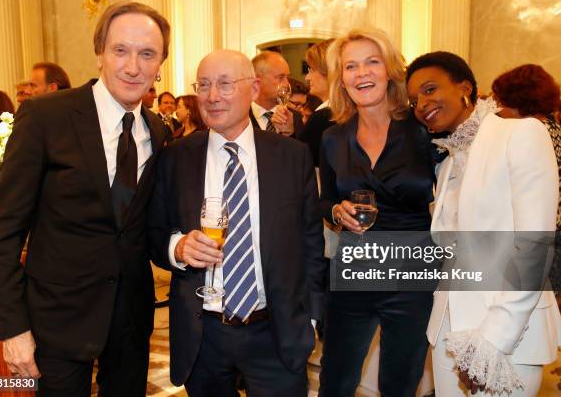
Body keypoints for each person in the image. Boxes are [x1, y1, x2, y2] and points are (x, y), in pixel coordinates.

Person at [0, 1, 170, 396]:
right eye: (121, 50)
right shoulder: (45, 117)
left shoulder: (156, 129)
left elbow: (142, 226)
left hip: (131, 325)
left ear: (160, 63)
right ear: (99, 52)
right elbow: (4, 231)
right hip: (57, 323)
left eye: (147, 54)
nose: (133, 66)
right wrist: (12, 327)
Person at [147, 49, 325, 396]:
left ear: (254, 88)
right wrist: (178, 247)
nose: (212, 96)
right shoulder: (175, 157)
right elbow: (152, 233)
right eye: (204, 85)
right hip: (204, 333)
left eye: (225, 84)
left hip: (275, 329)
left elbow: (310, 241)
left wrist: (312, 316)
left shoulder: (291, 156)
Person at [406, 51, 561, 396]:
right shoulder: (448, 161)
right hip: (448, 330)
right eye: (414, 99)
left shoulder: (521, 134)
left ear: (465, 87)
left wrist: (493, 339)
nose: (421, 104)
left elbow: (534, 247)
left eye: (430, 89)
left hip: (507, 333)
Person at [318, 29, 435, 397]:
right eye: (350, 66)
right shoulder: (333, 137)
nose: (361, 73)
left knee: (400, 381)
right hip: (354, 267)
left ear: (390, 70)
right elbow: (324, 200)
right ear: (342, 79)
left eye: (372, 61)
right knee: (335, 379)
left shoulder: (423, 130)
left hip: (413, 272)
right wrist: (337, 210)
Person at [299, 38, 336, 167]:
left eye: (312, 70)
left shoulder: (323, 117)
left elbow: (300, 164)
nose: (307, 77)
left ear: (330, 72)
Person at [250, 51, 303, 136]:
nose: (287, 84)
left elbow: (302, 148)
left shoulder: (294, 117)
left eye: (287, 77)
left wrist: (289, 133)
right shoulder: (240, 116)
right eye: (280, 77)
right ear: (258, 80)